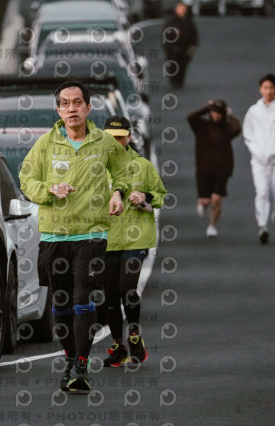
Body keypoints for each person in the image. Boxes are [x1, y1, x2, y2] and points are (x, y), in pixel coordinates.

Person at [19, 81, 130, 392]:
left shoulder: (104, 143)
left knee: (83, 300)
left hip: (92, 235)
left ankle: (81, 365)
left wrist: (118, 193)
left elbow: (124, 171)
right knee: (61, 305)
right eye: (65, 103)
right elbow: (27, 180)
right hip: (54, 237)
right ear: (58, 110)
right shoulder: (45, 144)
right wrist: (50, 189)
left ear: (88, 107)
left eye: (78, 102)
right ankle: (70, 359)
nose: (72, 108)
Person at [99, 116, 167, 367]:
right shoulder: (95, 167)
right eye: (111, 138)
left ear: (128, 137)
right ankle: (118, 345)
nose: (116, 142)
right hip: (106, 239)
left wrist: (145, 195)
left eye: (120, 137)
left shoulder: (143, 166)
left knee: (127, 289)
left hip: (136, 238)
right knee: (109, 296)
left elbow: (160, 195)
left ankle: (135, 336)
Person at [243, 73, 275, 244]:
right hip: (259, 161)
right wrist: (255, 150)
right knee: (262, 192)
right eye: (265, 88)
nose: (268, 91)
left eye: (271, 88)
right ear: (260, 89)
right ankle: (262, 226)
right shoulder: (254, 111)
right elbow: (247, 134)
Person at [187, 100, 242, 238]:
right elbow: (191, 117)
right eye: (213, 112)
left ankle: (212, 226)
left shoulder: (227, 129)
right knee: (205, 201)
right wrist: (207, 107)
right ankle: (202, 204)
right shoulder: (201, 126)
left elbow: (237, 128)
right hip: (203, 169)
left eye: (218, 113)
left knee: (216, 199)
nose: (215, 115)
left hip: (222, 169)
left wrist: (230, 116)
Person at [162, 1, 198, 89]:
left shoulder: (189, 21)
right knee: (172, 65)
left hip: (185, 48)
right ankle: (173, 81)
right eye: (179, 8)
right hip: (173, 48)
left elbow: (194, 34)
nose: (181, 10)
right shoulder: (171, 22)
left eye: (183, 8)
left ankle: (180, 80)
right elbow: (166, 35)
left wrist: (193, 45)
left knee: (183, 65)